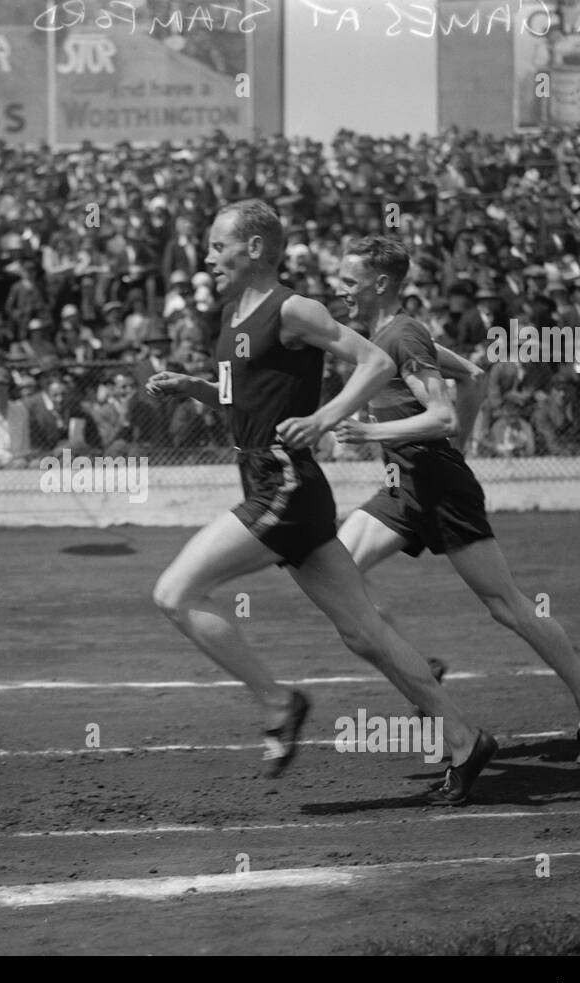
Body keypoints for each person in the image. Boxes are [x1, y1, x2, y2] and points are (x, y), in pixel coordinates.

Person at [146, 200, 497, 805]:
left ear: (255, 248)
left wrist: (325, 416)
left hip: (284, 483)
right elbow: (240, 399)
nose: (207, 258)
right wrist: (194, 389)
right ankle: (465, 740)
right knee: (364, 633)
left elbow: (376, 360)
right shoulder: (233, 315)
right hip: (271, 480)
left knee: (174, 593)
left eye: (217, 246)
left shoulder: (294, 308)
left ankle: (279, 702)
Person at [330, 236, 580, 767]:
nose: (340, 289)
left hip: (439, 490)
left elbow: (441, 416)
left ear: (381, 284)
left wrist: (381, 437)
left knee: (505, 606)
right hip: (401, 488)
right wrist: (449, 444)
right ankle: (420, 669)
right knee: (336, 572)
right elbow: (474, 376)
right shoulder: (381, 335)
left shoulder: (406, 332)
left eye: (349, 281)